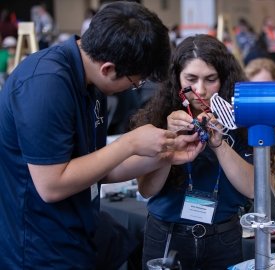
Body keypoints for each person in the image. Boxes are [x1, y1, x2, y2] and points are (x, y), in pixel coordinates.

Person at [0, 2, 204, 269]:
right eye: (135, 83)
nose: (134, 89)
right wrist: (130, 143)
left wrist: (165, 156)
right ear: (108, 68)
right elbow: (51, 185)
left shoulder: (91, 79)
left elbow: (99, 168)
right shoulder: (44, 85)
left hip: (79, 233)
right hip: (39, 247)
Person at [130, 34, 254, 270]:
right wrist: (168, 142)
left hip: (223, 238)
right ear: (176, 80)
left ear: (224, 79)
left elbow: (252, 189)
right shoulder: (156, 122)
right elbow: (147, 190)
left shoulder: (242, 122)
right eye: (191, 79)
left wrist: (219, 145)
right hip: (166, 236)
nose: (201, 90)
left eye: (210, 79)